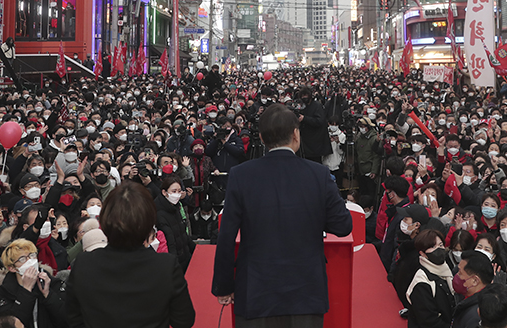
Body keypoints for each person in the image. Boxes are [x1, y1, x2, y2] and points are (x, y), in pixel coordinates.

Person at [212, 103, 352, 327]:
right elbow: (343, 225)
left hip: (256, 290)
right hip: (306, 291)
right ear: (296, 134)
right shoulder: (319, 174)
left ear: (261, 137)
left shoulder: (241, 175)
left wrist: (224, 285)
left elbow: (226, 236)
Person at [65, 181, 194, 328]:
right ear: (148, 223)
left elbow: (73, 318)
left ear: (106, 221)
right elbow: (184, 320)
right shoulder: (165, 265)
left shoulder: (84, 263)